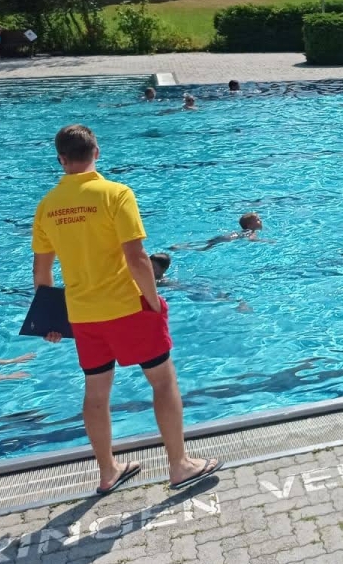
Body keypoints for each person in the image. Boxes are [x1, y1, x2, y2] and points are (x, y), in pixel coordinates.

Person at [32, 125, 218, 494]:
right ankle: (179, 465)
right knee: (163, 382)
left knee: (96, 393)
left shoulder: (47, 206)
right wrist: (152, 301)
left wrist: (50, 321)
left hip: (83, 316)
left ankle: (107, 472)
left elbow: (42, 273)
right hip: (127, 308)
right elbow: (137, 258)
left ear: (61, 159)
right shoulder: (116, 194)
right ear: (97, 152)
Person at [171, 213, 264, 252]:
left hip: (225, 237)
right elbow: (252, 239)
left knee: (207, 243)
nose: (261, 221)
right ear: (250, 225)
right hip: (227, 238)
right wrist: (266, 241)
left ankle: (181, 246)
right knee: (205, 248)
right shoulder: (250, 232)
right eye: (258, 220)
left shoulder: (244, 231)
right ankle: (183, 248)